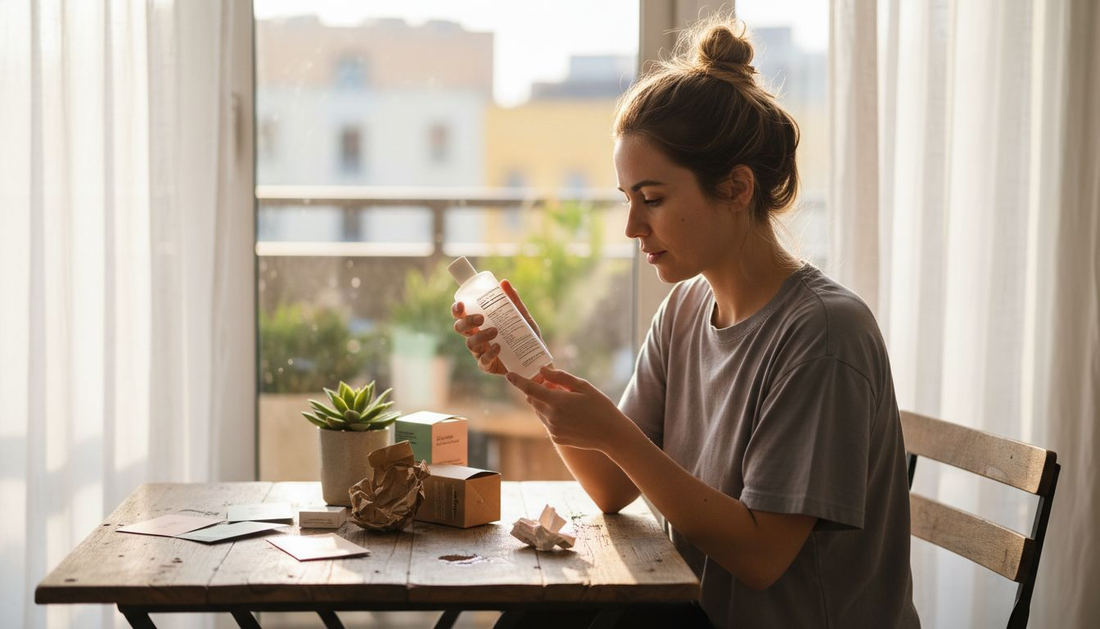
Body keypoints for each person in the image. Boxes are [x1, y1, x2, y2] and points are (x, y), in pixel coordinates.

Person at [451, 15, 920, 629]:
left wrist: (615, 433)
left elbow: (760, 556)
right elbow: (613, 489)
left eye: (654, 198)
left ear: (736, 188)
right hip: (695, 611)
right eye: (627, 200)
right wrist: (537, 373)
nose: (632, 228)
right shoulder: (686, 310)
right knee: (549, 607)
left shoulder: (823, 335)